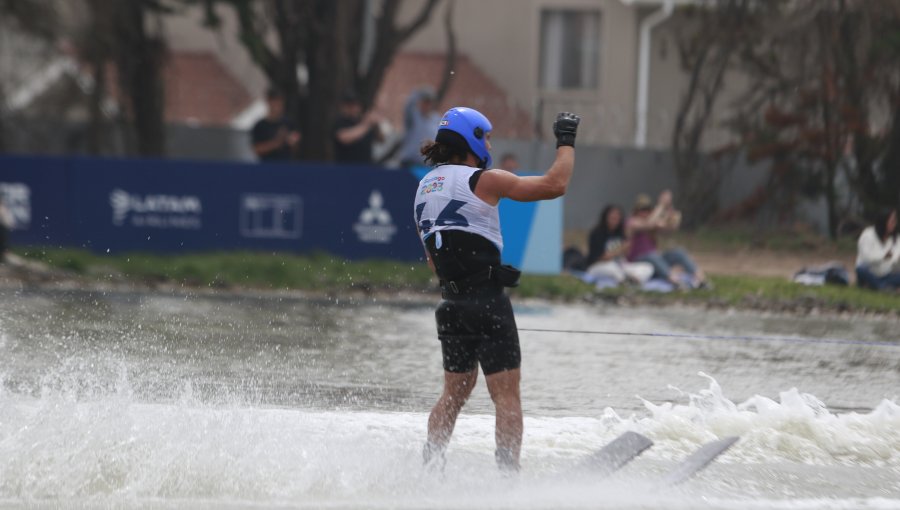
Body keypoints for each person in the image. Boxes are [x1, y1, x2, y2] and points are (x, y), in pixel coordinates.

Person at [414, 107, 580, 472]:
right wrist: (566, 140)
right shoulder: (485, 180)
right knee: (505, 396)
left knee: (453, 394)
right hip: (488, 302)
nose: (490, 144)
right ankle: (507, 481)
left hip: (450, 306)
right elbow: (555, 185)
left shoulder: (423, 190)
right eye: (486, 137)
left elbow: (432, 261)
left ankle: (429, 470)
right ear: (473, 139)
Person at [626, 190, 708, 288]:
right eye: (642, 210)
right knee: (652, 256)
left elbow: (669, 231)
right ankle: (675, 281)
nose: (645, 213)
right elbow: (648, 224)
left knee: (678, 252)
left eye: (648, 210)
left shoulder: (652, 223)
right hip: (638, 260)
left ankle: (701, 279)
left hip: (655, 259)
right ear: (636, 211)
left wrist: (670, 215)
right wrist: (661, 205)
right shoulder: (631, 222)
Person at [585, 205, 654, 286]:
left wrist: (627, 247)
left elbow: (625, 255)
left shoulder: (621, 232)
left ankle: (635, 280)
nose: (615, 219)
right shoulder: (597, 233)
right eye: (612, 217)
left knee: (648, 267)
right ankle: (624, 283)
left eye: (618, 217)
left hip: (620, 264)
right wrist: (620, 249)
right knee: (612, 267)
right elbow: (602, 257)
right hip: (599, 266)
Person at [332, 90, 384, 164]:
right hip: (345, 168)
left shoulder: (364, 122)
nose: (352, 108)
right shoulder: (340, 122)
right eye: (349, 105)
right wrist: (367, 124)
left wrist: (375, 123)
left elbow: (381, 139)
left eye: (355, 104)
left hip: (366, 167)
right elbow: (344, 138)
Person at [250, 88, 301, 162]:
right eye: (275, 101)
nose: (278, 105)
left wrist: (292, 140)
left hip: (286, 167)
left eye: (280, 101)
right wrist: (277, 142)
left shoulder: (289, 124)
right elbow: (256, 149)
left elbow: (295, 140)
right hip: (267, 167)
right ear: (268, 102)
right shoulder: (260, 126)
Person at [855, 209, 900, 290]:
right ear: (883, 221)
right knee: (861, 269)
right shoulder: (868, 235)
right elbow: (867, 259)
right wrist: (883, 257)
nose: (894, 224)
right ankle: (882, 286)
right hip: (870, 272)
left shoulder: (896, 239)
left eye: (895, 221)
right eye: (891, 221)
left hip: (887, 274)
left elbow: (895, 262)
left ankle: (879, 286)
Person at [399, 88, 441, 169]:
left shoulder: (436, 119)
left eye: (429, 102)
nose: (426, 105)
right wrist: (418, 93)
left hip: (427, 165)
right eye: (424, 102)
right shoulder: (414, 117)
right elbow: (409, 106)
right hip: (409, 163)